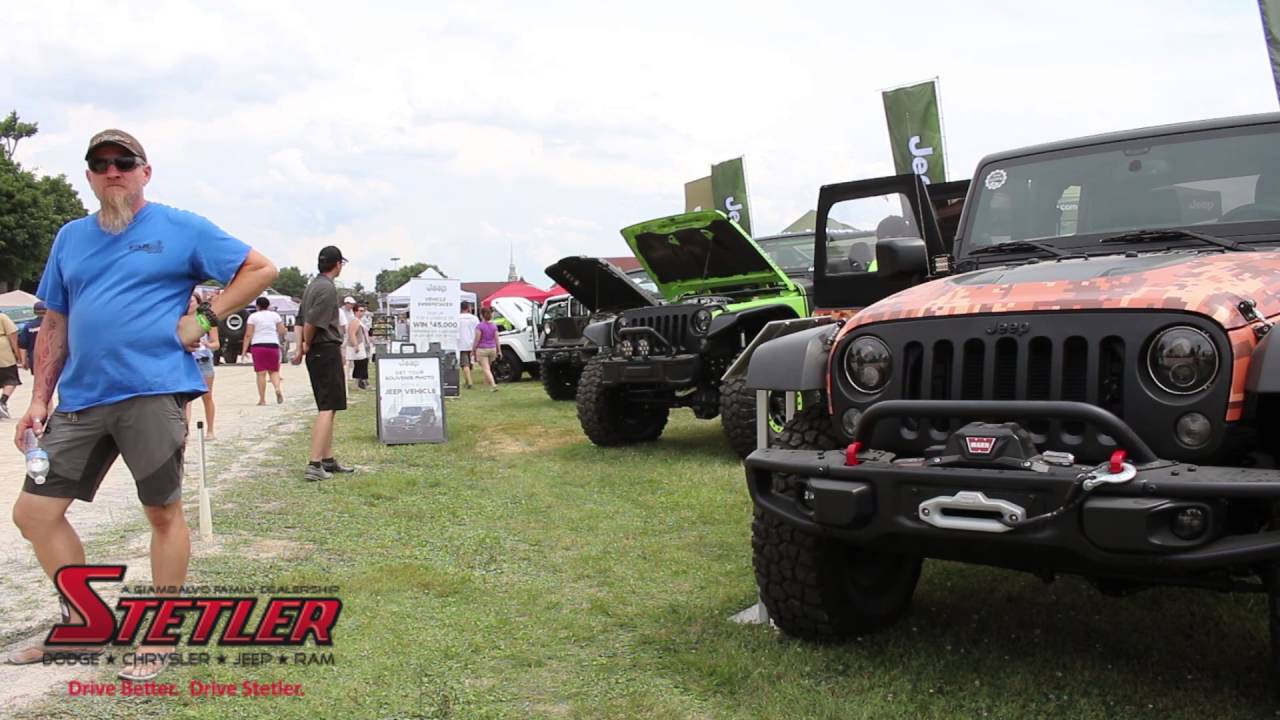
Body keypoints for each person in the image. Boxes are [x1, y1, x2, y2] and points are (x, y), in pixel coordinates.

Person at [8, 129, 277, 680]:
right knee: (33, 514)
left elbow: (260, 268)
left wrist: (203, 319)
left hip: (152, 393)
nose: (112, 171)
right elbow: (54, 321)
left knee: (161, 513)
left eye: (123, 162)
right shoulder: (70, 238)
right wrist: (39, 396)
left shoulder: (180, 227)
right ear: (89, 175)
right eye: (100, 163)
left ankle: (160, 636)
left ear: (144, 172)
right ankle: (85, 626)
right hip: (82, 397)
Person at [292, 246, 356, 481]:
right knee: (327, 407)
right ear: (338, 264)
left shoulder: (311, 286)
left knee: (330, 404)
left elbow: (299, 320)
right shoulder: (327, 289)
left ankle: (327, 459)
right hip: (324, 349)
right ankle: (314, 463)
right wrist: (307, 343)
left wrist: (299, 347)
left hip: (317, 350)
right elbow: (310, 323)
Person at [185, 294, 220, 439]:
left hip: (203, 360)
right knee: (186, 399)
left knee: (207, 396)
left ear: (198, 303)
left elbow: (216, 343)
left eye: (192, 301)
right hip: (187, 361)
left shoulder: (205, 320)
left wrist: (207, 345)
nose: (189, 304)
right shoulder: (181, 320)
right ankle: (185, 432)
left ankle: (210, 429)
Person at [244, 296, 285, 405]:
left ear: (257, 306)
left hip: (258, 345)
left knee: (261, 373)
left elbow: (248, 335)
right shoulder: (275, 315)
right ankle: (277, 388)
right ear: (268, 305)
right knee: (274, 371)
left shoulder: (253, 317)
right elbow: (281, 330)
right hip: (272, 344)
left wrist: (244, 351)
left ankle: (262, 399)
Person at [474, 306, 500, 391]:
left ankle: (493, 385)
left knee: (486, 369)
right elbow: (497, 339)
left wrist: (473, 349)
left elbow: (477, 339)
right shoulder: (494, 326)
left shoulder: (480, 326)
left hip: (482, 349)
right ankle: (486, 384)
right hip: (492, 348)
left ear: (481, 315)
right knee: (488, 367)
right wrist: (499, 350)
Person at [0, 311, 20, 419]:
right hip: (3, 351)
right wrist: (18, 354)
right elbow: (13, 334)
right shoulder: (2, 317)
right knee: (11, 378)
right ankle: (2, 401)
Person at [348, 304, 372, 390]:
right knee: (361, 363)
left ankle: (361, 382)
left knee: (362, 363)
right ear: (355, 311)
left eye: (363, 311)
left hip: (363, 344)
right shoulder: (355, 321)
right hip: (359, 345)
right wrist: (356, 345)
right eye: (360, 311)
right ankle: (361, 382)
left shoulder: (359, 321)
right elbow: (352, 333)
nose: (362, 313)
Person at [17, 301, 46, 372]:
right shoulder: (54, 325)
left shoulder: (29, 326)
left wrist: (24, 361)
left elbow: (23, 345)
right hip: (52, 358)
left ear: (34, 312)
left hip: (34, 358)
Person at [457, 301, 479, 390]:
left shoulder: (457, 318)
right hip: (472, 342)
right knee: (470, 363)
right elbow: (478, 329)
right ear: (468, 308)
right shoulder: (474, 318)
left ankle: (469, 382)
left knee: (464, 364)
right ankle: (468, 380)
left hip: (461, 343)